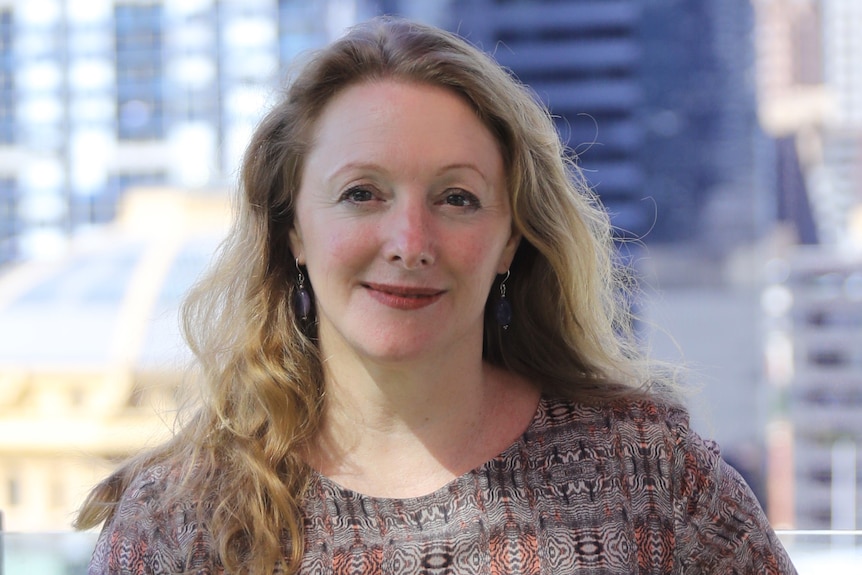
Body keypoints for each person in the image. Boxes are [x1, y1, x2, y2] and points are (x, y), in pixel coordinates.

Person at [76, 16, 797, 575]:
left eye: (457, 197)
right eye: (362, 193)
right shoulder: (181, 518)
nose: (410, 238)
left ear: (512, 238)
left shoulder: (654, 479)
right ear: (292, 229)